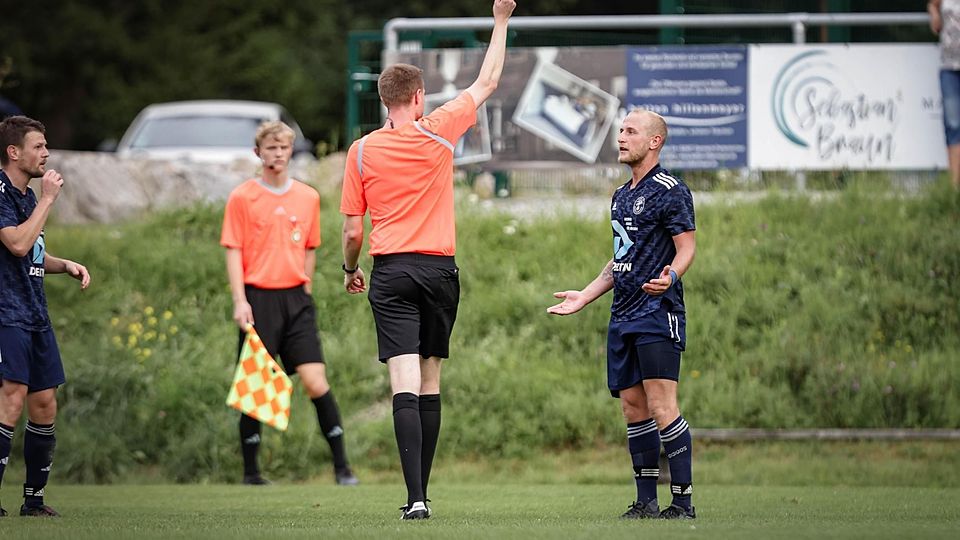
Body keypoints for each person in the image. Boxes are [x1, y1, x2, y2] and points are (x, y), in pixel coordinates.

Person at [339, 0, 516, 520]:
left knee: (403, 384)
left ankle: (414, 498)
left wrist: (351, 270)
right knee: (431, 378)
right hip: (439, 271)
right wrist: (500, 21)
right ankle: (424, 493)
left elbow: (352, 230)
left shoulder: (362, 152)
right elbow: (486, 82)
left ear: (382, 99)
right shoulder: (440, 130)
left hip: (390, 272)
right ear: (418, 98)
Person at [547, 109, 697, 520]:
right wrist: (586, 295)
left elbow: (686, 249)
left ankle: (682, 503)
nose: (621, 137)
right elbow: (620, 260)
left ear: (654, 141)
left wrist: (671, 275)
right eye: (621, 130)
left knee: (663, 405)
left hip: (656, 311)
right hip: (623, 314)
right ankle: (646, 501)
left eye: (631, 131)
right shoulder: (620, 194)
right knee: (633, 408)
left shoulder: (671, 189)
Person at [220, 120, 358, 487]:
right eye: (270, 148)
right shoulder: (242, 197)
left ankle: (342, 468)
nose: (277, 154)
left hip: (296, 298)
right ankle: (251, 473)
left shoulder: (308, 197)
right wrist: (240, 300)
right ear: (258, 153)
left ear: (290, 151)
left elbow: (310, 247)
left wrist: (306, 289)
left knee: (315, 380)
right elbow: (233, 250)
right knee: (258, 385)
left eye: (283, 148)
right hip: (258, 297)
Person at [0, 115, 91, 517]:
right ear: (13, 152)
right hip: (6, 313)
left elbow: (31, 253)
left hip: (35, 313)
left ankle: (33, 501)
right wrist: (50, 199)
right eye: (38, 146)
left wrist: (63, 263)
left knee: (44, 405)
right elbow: (17, 244)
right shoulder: (1, 193)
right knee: (12, 399)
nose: (46, 153)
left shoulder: (26, 198)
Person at [930, 0, 960, 189]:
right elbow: (933, 4)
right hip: (949, 66)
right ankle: (954, 188)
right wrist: (934, 14)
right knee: (953, 124)